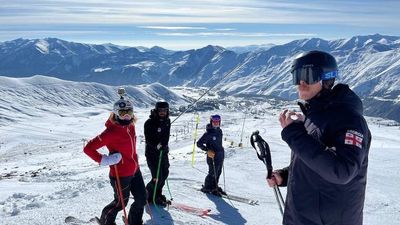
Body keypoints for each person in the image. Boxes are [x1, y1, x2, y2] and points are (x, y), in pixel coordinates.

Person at [267, 50, 371, 225]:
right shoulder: (314, 116)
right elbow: (315, 160)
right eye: (296, 76)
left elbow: (341, 171)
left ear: (326, 78)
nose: (301, 84)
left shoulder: (350, 120)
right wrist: (285, 175)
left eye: (308, 75)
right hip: (301, 216)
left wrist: (295, 134)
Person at [83, 97, 146, 225]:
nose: (127, 116)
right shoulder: (111, 132)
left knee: (142, 198)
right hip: (121, 174)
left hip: (135, 170)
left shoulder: (131, 126)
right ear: (116, 114)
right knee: (120, 203)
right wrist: (105, 160)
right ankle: (106, 221)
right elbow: (88, 148)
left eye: (130, 112)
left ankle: (134, 222)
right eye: (123, 113)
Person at [144, 101, 171, 206]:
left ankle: (158, 194)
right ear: (156, 110)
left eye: (165, 110)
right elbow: (148, 139)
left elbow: (166, 137)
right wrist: (157, 145)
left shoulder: (167, 121)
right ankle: (149, 194)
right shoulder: (149, 122)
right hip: (152, 154)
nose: (162, 112)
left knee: (164, 174)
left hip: (163, 153)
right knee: (157, 176)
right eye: (160, 110)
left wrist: (164, 146)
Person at [197, 114, 226, 197]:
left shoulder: (219, 131)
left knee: (218, 172)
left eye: (217, 121)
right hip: (212, 156)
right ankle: (207, 187)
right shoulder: (208, 133)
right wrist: (207, 150)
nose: (216, 123)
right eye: (214, 121)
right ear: (211, 122)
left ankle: (214, 187)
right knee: (212, 173)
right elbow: (199, 143)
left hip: (220, 155)